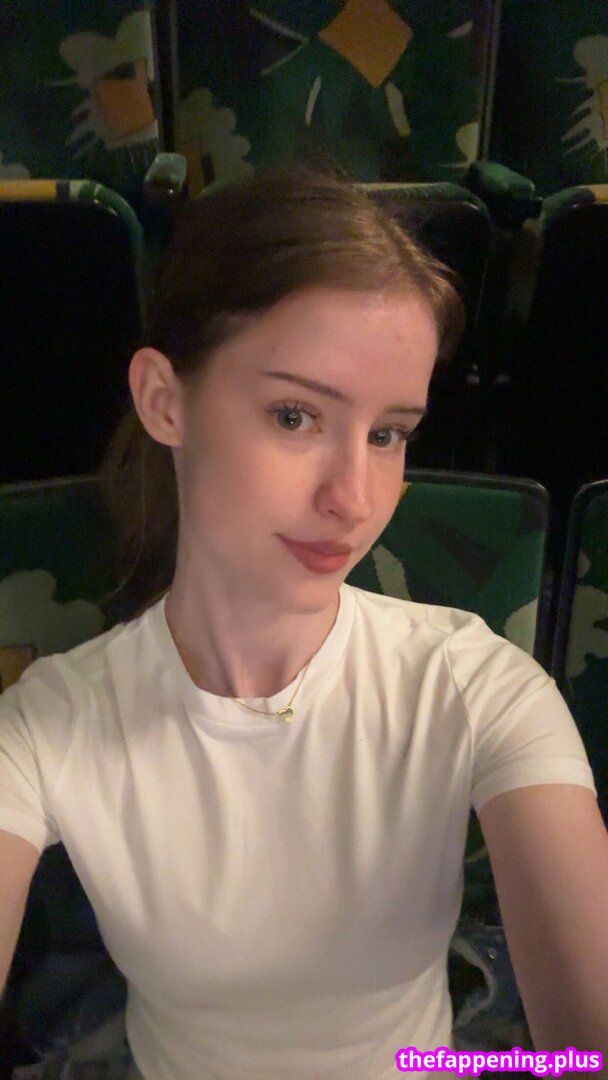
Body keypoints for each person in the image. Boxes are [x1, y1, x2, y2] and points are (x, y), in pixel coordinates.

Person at [1, 165, 607, 1080]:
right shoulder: (51, 722)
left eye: (388, 434)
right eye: (295, 416)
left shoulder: (475, 686)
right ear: (165, 400)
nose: (354, 499)